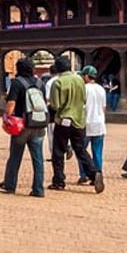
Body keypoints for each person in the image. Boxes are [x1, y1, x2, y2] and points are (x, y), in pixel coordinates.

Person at [48, 57, 104, 193]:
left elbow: (55, 105)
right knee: (80, 149)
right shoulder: (80, 81)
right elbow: (83, 99)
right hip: (79, 121)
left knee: (58, 151)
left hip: (64, 121)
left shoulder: (58, 82)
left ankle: (59, 181)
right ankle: (93, 173)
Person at [0, 57, 45, 197]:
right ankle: (38, 189)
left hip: (21, 125)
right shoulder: (40, 83)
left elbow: (11, 104)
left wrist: (6, 117)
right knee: (38, 159)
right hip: (38, 123)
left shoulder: (17, 83)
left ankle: (10, 184)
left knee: (15, 156)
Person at [76, 65, 106, 185]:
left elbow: (80, 107)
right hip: (99, 123)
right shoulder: (101, 89)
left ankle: (85, 174)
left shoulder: (84, 88)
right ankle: (98, 173)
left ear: (87, 76)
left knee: (81, 151)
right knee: (97, 152)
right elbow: (104, 108)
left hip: (86, 123)